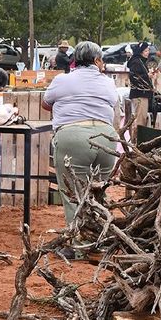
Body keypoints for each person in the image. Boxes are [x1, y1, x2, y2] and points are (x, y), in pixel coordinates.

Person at [43, 41, 118, 228]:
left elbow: (45, 103)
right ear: (97, 60)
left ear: (75, 59)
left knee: (74, 193)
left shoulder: (62, 80)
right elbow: (113, 103)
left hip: (72, 136)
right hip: (106, 136)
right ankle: (99, 240)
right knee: (100, 191)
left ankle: (80, 244)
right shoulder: (108, 83)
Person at [126, 42, 154, 129]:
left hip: (143, 94)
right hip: (139, 94)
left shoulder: (141, 61)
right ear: (141, 52)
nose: (148, 52)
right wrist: (147, 76)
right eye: (146, 51)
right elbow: (134, 77)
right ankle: (136, 140)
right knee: (139, 120)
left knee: (142, 119)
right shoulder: (136, 62)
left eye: (148, 50)